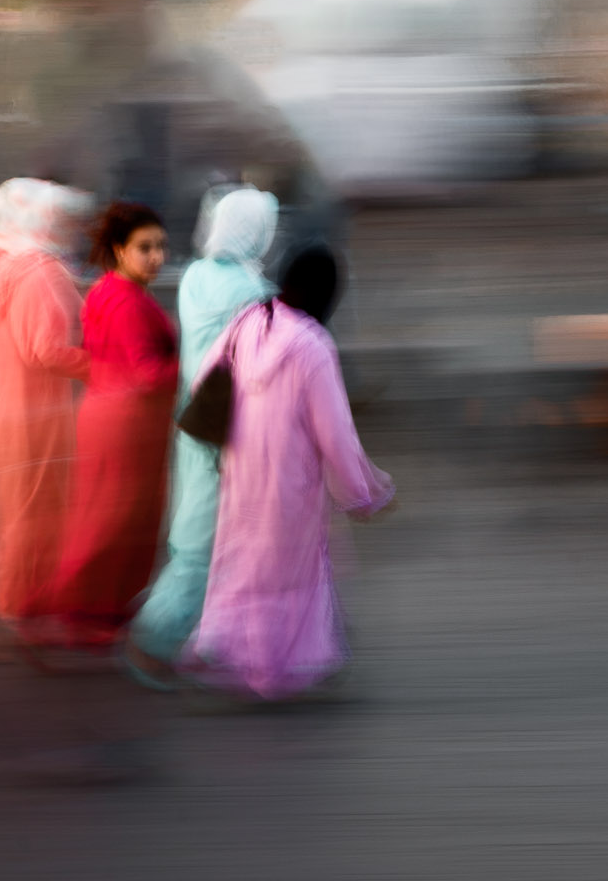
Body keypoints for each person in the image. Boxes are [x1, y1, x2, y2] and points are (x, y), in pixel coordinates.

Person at [183, 245, 395, 702]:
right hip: (291, 481)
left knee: (245, 565)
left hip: (242, 473)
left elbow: (204, 380)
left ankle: (230, 652)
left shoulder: (248, 322)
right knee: (290, 573)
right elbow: (335, 433)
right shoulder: (313, 345)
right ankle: (275, 667)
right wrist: (362, 493)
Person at [124, 186, 280, 687]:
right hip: (230, 429)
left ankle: (206, 636)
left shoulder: (197, 274)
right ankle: (154, 639)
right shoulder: (252, 292)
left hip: (194, 419)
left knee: (195, 530)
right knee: (207, 543)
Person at [0, 178, 93, 641]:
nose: (72, 229)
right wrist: (105, 367)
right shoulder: (41, 272)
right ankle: (18, 600)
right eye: (63, 219)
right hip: (34, 407)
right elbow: (46, 350)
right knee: (35, 505)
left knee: (4, 501)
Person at [45, 202, 178, 648]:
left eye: (160, 246)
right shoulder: (129, 302)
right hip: (127, 425)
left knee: (110, 517)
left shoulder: (105, 289)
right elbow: (148, 373)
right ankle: (73, 609)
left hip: (105, 413)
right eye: (145, 247)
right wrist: (200, 366)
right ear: (120, 249)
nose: (156, 257)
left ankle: (100, 606)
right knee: (112, 521)